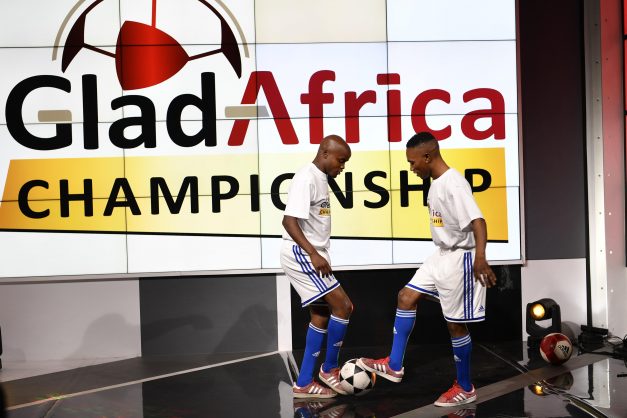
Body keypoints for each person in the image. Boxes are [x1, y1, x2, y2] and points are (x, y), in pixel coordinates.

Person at [358, 131, 497, 407]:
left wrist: (480, 257)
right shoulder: (435, 184)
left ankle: (465, 387)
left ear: (427, 156)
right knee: (405, 297)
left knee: (455, 325)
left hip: (460, 258)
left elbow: (478, 221)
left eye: (412, 162)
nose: (411, 168)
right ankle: (394, 365)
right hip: (440, 256)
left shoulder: (454, 183)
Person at [281, 134, 354, 398]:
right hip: (302, 253)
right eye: (340, 160)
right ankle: (329, 369)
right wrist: (313, 253)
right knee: (344, 306)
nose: (342, 167)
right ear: (325, 153)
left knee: (321, 315)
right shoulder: (307, 178)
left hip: (314, 253)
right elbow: (289, 221)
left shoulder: (320, 178)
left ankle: (303, 383)